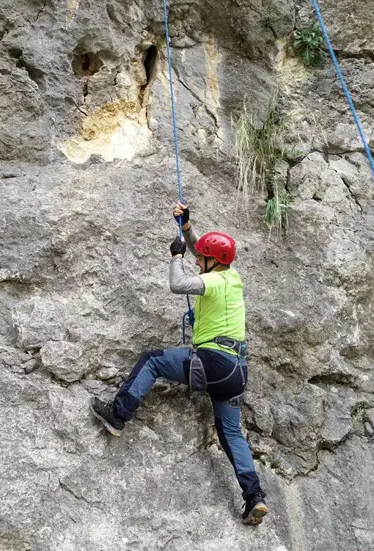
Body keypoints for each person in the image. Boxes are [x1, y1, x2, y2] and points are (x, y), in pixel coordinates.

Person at [90, 201, 268, 525]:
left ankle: (117, 416)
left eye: (202, 258)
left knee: (152, 361)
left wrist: (176, 256)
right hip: (237, 371)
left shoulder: (211, 282)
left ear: (213, 262)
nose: (198, 260)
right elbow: (205, 254)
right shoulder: (231, 277)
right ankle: (253, 496)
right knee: (230, 432)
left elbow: (178, 284)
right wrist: (186, 228)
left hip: (214, 361)